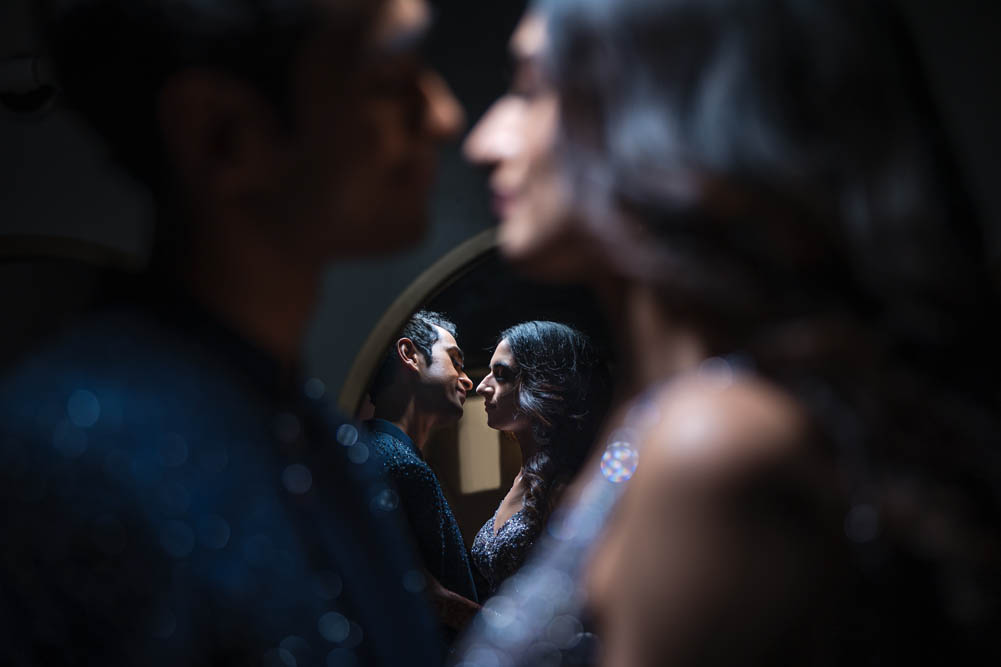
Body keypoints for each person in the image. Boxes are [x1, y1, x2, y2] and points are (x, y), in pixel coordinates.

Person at [456, 0, 1001, 665]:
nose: (484, 140)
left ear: (654, 105)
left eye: (531, 89)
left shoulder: (711, 443)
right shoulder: (657, 413)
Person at [0, 0, 464, 665]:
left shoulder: (300, 422)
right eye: (393, 78)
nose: (444, 116)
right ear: (223, 133)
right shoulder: (68, 464)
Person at [471, 321, 609, 598]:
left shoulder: (571, 484)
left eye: (501, 374)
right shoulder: (525, 474)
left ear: (542, 382)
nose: (481, 387)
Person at [366, 310, 480, 636]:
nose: (467, 378)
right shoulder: (400, 465)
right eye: (455, 361)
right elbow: (419, 592)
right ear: (410, 356)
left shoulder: (371, 448)